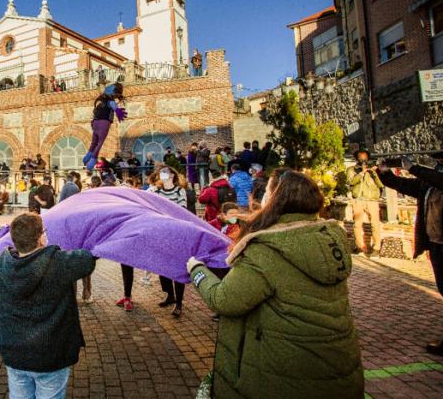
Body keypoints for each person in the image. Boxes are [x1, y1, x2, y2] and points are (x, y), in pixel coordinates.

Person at [186, 171, 364, 398]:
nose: (263, 198)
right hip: (339, 369)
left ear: (277, 199)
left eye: (268, 192)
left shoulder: (268, 249)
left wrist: (197, 269)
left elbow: (224, 300)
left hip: (285, 374)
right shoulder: (328, 237)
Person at [0, 213, 96, 399]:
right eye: (44, 232)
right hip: (50, 355)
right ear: (41, 238)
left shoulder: (0, 265)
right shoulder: (59, 263)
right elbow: (87, 260)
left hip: (14, 352)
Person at [377, 153, 443, 355]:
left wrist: (413, 168)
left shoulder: (436, 179)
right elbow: (406, 186)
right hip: (437, 244)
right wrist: (385, 174)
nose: (438, 165)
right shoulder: (430, 185)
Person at [154, 166, 188, 317]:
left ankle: (179, 303)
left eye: (166, 172)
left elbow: (180, 211)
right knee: (163, 267)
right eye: (161, 173)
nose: (163, 175)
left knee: (177, 268)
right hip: (161, 233)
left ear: (173, 175)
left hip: (176, 234)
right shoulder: (156, 191)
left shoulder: (180, 191)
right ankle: (169, 295)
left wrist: (164, 215)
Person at [82, 83, 127, 171]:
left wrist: (93, 121)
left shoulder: (100, 103)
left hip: (95, 122)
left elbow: (94, 113)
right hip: (104, 123)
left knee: (93, 142)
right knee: (99, 143)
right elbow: (116, 109)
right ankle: (92, 161)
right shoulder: (111, 102)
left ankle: (86, 157)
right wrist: (119, 113)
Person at [348, 149, 384, 256]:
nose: (363, 160)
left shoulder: (374, 170)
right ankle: (359, 246)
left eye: (365, 157)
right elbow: (351, 181)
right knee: (357, 224)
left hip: (372, 199)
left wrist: (373, 172)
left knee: (375, 223)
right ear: (357, 158)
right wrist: (361, 173)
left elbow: (381, 184)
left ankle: (376, 247)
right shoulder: (351, 169)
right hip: (358, 199)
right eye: (361, 157)